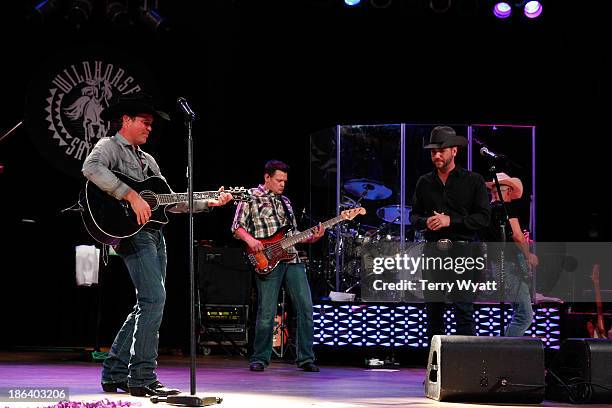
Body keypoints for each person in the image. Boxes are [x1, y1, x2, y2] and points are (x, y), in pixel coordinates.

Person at [82, 92, 233, 397]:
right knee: (154, 300)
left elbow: (170, 203)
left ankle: (113, 373)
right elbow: (91, 168)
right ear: (126, 120)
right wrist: (130, 194)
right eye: (145, 122)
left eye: (151, 124)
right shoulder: (108, 147)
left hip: (153, 233)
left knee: (146, 303)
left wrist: (209, 203)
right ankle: (142, 378)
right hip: (131, 234)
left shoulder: (147, 159)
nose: (150, 128)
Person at [231, 160, 324, 372]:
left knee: (305, 307)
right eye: (279, 180)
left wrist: (311, 238)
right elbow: (237, 227)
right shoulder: (250, 196)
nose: (282, 184)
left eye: (285, 181)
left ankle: (306, 358)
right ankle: (260, 358)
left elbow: (292, 236)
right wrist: (251, 241)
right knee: (267, 311)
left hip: (292, 258)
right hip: (267, 257)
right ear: (267, 177)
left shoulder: (286, 202)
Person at [409, 126, 491, 342]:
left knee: (463, 309)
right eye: (433, 151)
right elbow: (413, 217)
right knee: (434, 312)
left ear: (454, 151)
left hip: (462, 251)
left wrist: (450, 220)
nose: (436, 155)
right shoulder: (424, 182)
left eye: (442, 150)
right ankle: (436, 368)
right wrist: (426, 221)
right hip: (433, 251)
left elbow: (484, 217)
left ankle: (467, 367)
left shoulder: (473, 180)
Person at [484, 172, 538, 336]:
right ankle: (505, 351)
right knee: (524, 316)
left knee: (519, 312)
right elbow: (517, 235)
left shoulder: (487, 212)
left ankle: (505, 349)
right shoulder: (507, 208)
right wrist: (529, 255)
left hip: (497, 265)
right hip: (509, 265)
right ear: (507, 190)